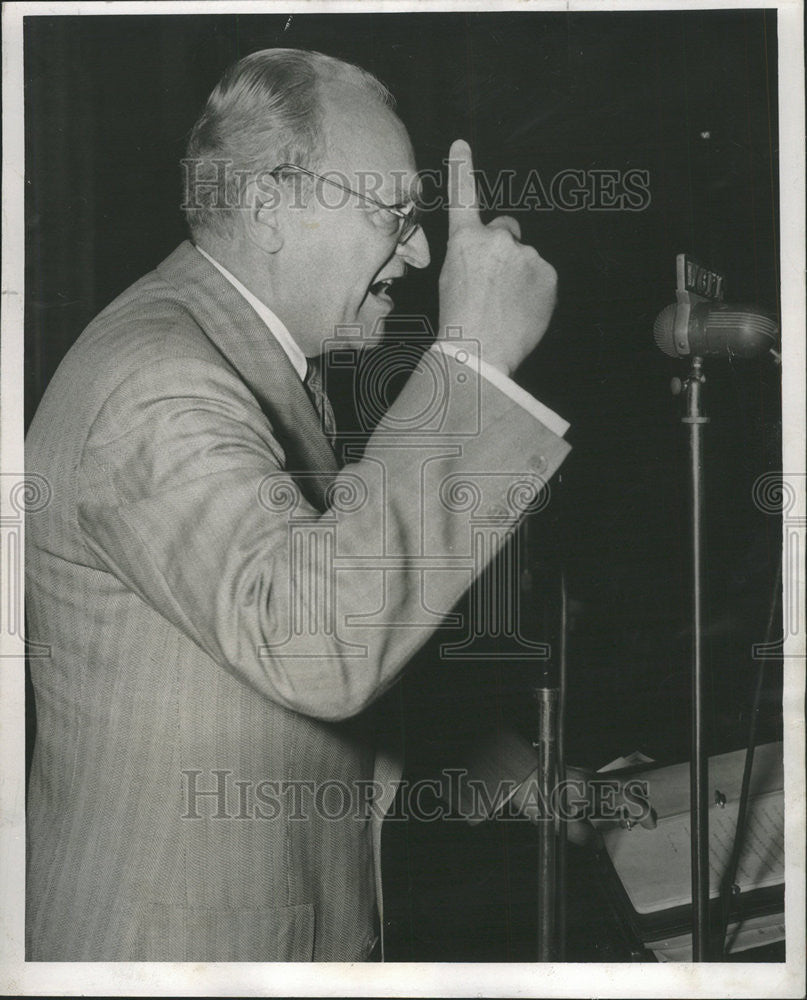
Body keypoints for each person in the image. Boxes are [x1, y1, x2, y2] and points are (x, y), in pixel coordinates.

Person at [25, 47, 571, 962]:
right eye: (394, 213)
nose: (423, 250)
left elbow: (257, 638)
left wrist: (491, 760)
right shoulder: (159, 382)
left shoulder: (229, 353)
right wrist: (471, 362)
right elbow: (314, 643)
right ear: (272, 205)